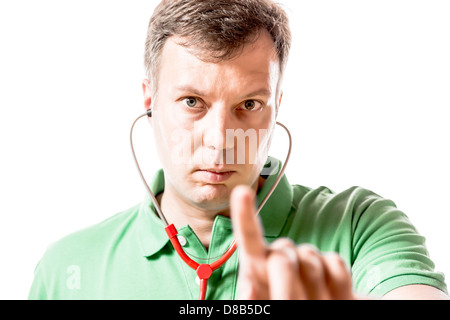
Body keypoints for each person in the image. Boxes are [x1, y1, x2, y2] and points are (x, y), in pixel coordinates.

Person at [29, 0, 447, 300]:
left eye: (248, 105)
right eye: (192, 102)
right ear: (149, 102)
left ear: (277, 105)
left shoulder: (359, 226)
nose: (219, 140)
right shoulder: (68, 267)